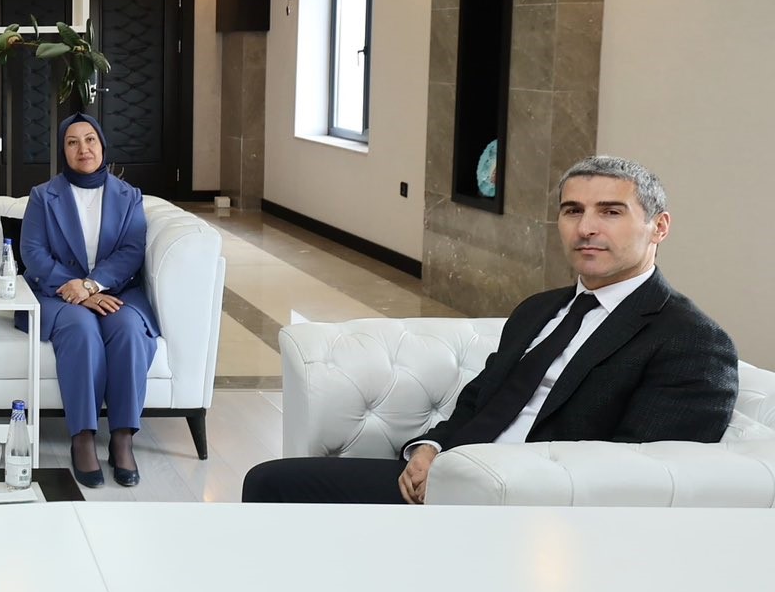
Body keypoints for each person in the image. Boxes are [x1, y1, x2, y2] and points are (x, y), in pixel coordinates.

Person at [244, 156, 738, 505]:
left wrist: (482, 480)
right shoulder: (541, 309)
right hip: (452, 477)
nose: (586, 228)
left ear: (659, 227)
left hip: (531, 504)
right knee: (270, 481)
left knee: (275, 487)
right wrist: (430, 450)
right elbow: (480, 402)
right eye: (573, 211)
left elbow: (642, 474)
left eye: (610, 212)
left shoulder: (691, 339)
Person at [20, 114, 160, 487]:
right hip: (58, 294)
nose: (83, 148)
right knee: (80, 329)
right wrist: (76, 290)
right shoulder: (43, 196)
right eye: (72, 142)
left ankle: (122, 437)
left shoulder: (129, 196)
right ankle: (82, 437)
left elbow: (132, 251)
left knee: (129, 329)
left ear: (102, 146)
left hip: (114, 291)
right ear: (63, 151)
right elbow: (33, 253)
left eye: (90, 140)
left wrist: (91, 286)